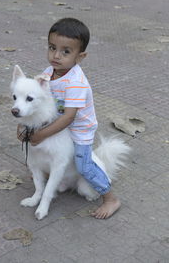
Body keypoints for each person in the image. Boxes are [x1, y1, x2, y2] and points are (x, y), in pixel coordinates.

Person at [18, 17, 121, 219]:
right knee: (44, 153)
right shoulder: (50, 72)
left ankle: (110, 198)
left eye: (66, 51)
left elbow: (69, 118)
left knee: (84, 165)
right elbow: (36, 101)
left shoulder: (76, 82)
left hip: (78, 130)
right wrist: (24, 127)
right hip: (58, 124)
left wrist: (41, 135)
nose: (56, 55)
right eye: (52, 47)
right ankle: (59, 179)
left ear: (80, 56)